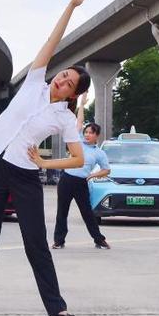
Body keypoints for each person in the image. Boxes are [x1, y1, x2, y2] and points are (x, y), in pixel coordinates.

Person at [0, 0, 91, 316]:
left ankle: (56, 305)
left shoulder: (66, 118)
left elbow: (79, 159)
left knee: (36, 242)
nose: (61, 80)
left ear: (74, 94)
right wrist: (71, 6)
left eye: (69, 82)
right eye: (63, 74)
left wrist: (45, 162)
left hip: (26, 176)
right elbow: (51, 42)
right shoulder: (34, 82)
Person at [52, 91, 111, 250]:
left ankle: (99, 240)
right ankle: (59, 241)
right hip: (67, 179)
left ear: (96, 136)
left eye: (91, 133)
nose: (87, 134)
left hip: (81, 183)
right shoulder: (77, 140)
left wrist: (92, 175)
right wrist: (82, 105)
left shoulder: (99, 153)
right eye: (86, 132)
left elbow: (106, 170)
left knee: (87, 213)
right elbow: (79, 120)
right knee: (62, 212)